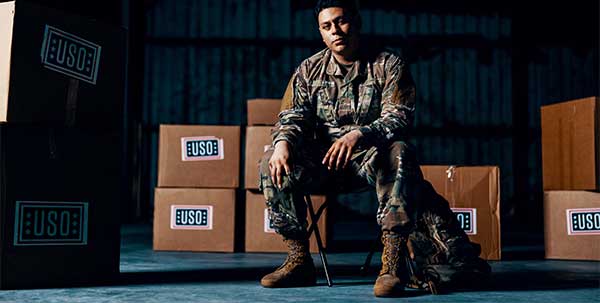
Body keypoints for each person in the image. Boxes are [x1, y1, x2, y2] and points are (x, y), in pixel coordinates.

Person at [258, 0, 490, 297]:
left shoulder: (389, 65)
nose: (335, 31)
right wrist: (282, 143)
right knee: (271, 161)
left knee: (400, 151)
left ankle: (392, 264)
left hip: (373, 161)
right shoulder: (308, 70)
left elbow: (400, 116)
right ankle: (299, 258)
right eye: (326, 26)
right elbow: (292, 116)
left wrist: (360, 135)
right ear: (320, 32)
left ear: (357, 22)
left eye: (341, 22)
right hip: (324, 162)